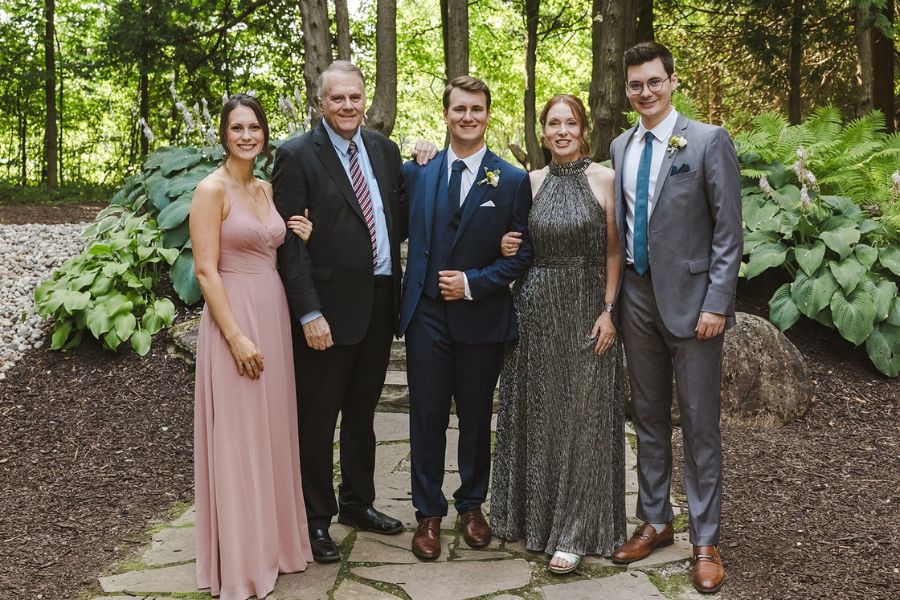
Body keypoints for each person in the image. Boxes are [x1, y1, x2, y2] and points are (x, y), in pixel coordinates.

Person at [608, 42, 742, 594]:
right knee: (647, 416)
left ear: (672, 81)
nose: (645, 92)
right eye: (636, 85)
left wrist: (717, 302)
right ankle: (657, 521)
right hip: (636, 298)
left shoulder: (709, 141)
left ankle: (705, 540)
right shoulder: (620, 146)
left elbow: (729, 232)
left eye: (653, 82)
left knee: (700, 424)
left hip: (693, 305)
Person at [273, 60, 409, 563]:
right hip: (326, 313)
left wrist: (423, 158)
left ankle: (358, 503)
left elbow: (401, 213)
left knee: (361, 415)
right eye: (338, 99)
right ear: (321, 102)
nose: (348, 106)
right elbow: (289, 245)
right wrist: (308, 313)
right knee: (317, 419)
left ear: (364, 98)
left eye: (355, 97)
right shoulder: (296, 155)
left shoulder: (384, 150)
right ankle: (314, 520)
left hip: (378, 304)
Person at [399, 76, 533, 561]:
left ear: (487, 115)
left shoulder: (512, 180)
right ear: (446, 114)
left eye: (476, 109)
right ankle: (427, 514)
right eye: (459, 109)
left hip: (481, 314)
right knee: (427, 418)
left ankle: (472, 506)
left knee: (476, 418)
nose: (468, 117)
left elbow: (523, 255)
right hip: (426, 317)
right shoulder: (418, 172)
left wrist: (474, 281)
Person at [491, 94, 627, 574]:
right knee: (541, 413)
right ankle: (534, 519)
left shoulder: (606, 179)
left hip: (590, 305)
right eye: (554, 123)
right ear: (544, 132)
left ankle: (574, 530)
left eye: (571, 122)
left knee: (584, 419)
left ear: (583, 130)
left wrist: (610, 311)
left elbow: (615, 253)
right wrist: (508, 241)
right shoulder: (529, 182)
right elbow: (512, 240)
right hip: (535, 307)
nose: (562, 130)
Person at [191, 93, 314, 600]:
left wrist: (299, 232)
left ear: (264, 135)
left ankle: (277, 546)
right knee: (240, 441)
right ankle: (242, 564)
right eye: (237, 128)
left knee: (272, 434)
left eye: (254, 128)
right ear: (224, 134)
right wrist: (236, 334)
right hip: (234, 319)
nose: (247, 136)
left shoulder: (265, 188)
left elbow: (273, 242)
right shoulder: (210, 190)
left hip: (274, 314)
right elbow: (204, 270)